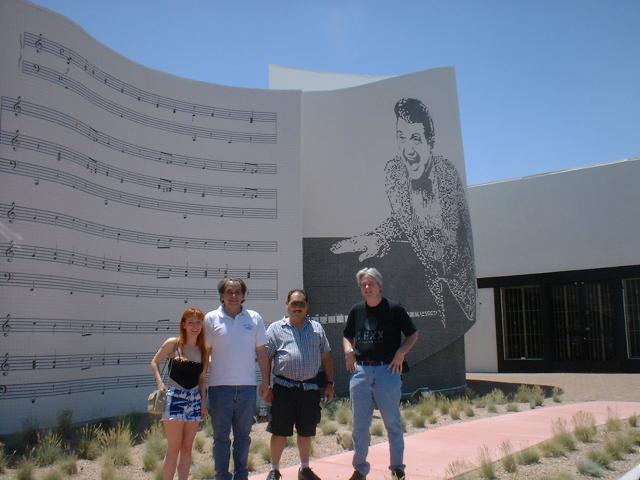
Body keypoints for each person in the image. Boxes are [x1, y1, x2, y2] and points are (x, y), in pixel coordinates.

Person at [331, 98, 475, 328]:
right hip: (432, 290)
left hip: (459, 289)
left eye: (416, 138)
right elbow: (403, 220)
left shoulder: (446, 175)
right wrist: (380, 236)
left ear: (431, 142)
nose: (408, 149)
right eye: (401, 136)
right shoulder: (394, 173)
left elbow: (444, 245)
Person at [343, 268, 418, 480]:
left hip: (388, 371)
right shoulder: (356, 310)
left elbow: (413, 335)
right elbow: (347, 336)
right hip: (361, 372)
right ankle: (360, 469)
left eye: (370, 284)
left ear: (380, 286)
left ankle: (397, 468)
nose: (367, 288)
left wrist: (400, 354)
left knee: (392, 423)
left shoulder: (394, 309)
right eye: (363, 285)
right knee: (360, 425)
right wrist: (349, 352)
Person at [264, 289, 334, 480]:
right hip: (283, 389)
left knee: (306, 431)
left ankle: (304, 469)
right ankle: (275, 470)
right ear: (287, 305)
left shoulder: (317, 329)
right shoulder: (275, 329)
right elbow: (266, 359)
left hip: (310, 390)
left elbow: (326, 357)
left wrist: (329, 383)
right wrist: (266, 386)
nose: (297, 307)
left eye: (301, 304)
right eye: (294, 304)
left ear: (307, 307)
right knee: (279, 432)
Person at [205, 278, 270, 480]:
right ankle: (221, 476)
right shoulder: (211, 319)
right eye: (229, 292)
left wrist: (266, 381)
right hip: (219, 388)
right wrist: (201, 387)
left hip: (247, 388)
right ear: (222, 296)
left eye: (237, 292)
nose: (233, 296)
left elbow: (261, 352)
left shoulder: (254, 318)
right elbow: (205, 353)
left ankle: (241, 476)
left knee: (243, 438)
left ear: (243, 295)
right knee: (221, 439)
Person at [150, 307, 209, 480]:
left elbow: (202, 379)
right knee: (173, 449)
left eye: (198, 322)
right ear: (183, 324)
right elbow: (154, 362)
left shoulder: (204, 350)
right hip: (174, 397)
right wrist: (160, 382)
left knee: (187, 449)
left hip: (194, 399)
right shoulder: (173, 343)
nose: (195, 326)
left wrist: (203, 403)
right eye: (190, 322)